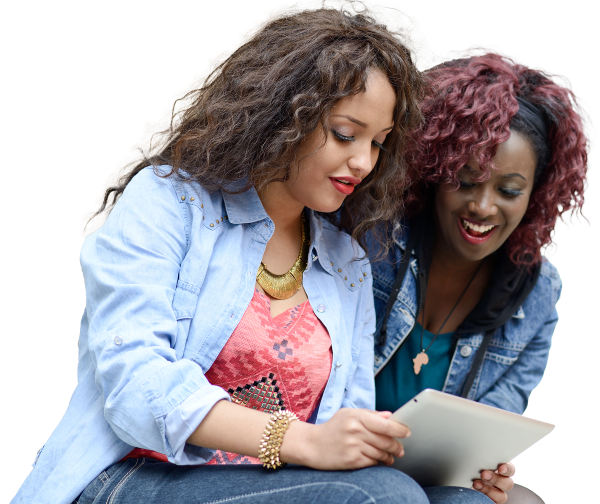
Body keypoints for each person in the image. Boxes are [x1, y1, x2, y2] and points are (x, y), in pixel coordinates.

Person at [11, 3, 509, 504]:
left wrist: (442, 464)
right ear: (283, 112)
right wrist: (303, 441)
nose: (362, 161)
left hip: (277, 488)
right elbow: (137, 388)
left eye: (378, 143)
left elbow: (345, 427)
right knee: (384, 496)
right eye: (344, 134)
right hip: (133, 476)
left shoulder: (347, 264)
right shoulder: (168, 203)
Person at [368, 49, 594, 503]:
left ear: (537, 194)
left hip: (430, 481)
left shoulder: (535, 294)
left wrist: (483, 467)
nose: (483, 208)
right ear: (433, 174)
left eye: (509, 190)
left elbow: (495, 420)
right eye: (465, 181)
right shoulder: (375, 247)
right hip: (344, 461)